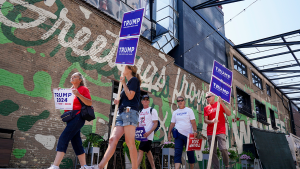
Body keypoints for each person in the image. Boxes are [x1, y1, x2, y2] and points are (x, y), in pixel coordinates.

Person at [98, 65, 141, 169]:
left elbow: (130, 95)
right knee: (112, 139)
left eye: (124, 67)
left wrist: (123, 83)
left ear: (130, 70)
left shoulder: (134, 80)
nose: (122, 69)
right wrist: (119, 101)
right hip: (121, 113)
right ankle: (100, 166)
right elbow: (127, 97)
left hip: (130, 112)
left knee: (130, 142)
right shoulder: (126, 84)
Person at [48, 72, 93, 169]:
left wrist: (78, 95)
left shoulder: (83, 89)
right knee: (76, 142)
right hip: (70, 118)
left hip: (78, 117)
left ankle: (55, 166)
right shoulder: (69, 90)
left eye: (75, 76)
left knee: (63, 138)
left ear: (80, 80)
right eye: (72, 76)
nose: (72, 77)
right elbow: (64, 104)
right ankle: (84, 166)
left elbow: (89, 103)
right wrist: (59, 93)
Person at [168, 96, 198, 169]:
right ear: (177, 102)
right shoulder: (175, 112)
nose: (180, 102)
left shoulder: (189, 110)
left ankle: (191, 168)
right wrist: (169, 133)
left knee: (190, 154)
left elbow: (193, 121)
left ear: (184, 101)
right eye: (178, 101)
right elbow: (172, 124)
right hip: (178, 135)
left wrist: (195, 131)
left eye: (181, 100)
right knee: (177, 153)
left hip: (189, 135)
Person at [204, 92, 231, 169]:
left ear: (213, 96)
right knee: (212, 151)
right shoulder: (206, 108)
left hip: (220, 131)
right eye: (206, 97)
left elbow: (228, 113)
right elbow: (205, 120)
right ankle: (216, 167)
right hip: (210, 132)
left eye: (209, 96)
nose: (207, 98)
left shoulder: (219, 104)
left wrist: (222, 102)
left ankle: (226, 165)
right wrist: (211, 121)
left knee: (223, 148)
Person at [137, 95, 158, 169]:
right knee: (148, 151)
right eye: (144, 99)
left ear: (149, 101)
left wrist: (149, 132)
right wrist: (137, 133)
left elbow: (155, 123)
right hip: (141, 135)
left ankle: (135, 167)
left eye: (147, 99)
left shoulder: (152, 110)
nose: (145, 100)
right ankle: (153, 167)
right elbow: (138, 124)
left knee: (141, 150)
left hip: (148, 135)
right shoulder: (140, 111)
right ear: (142, 101)